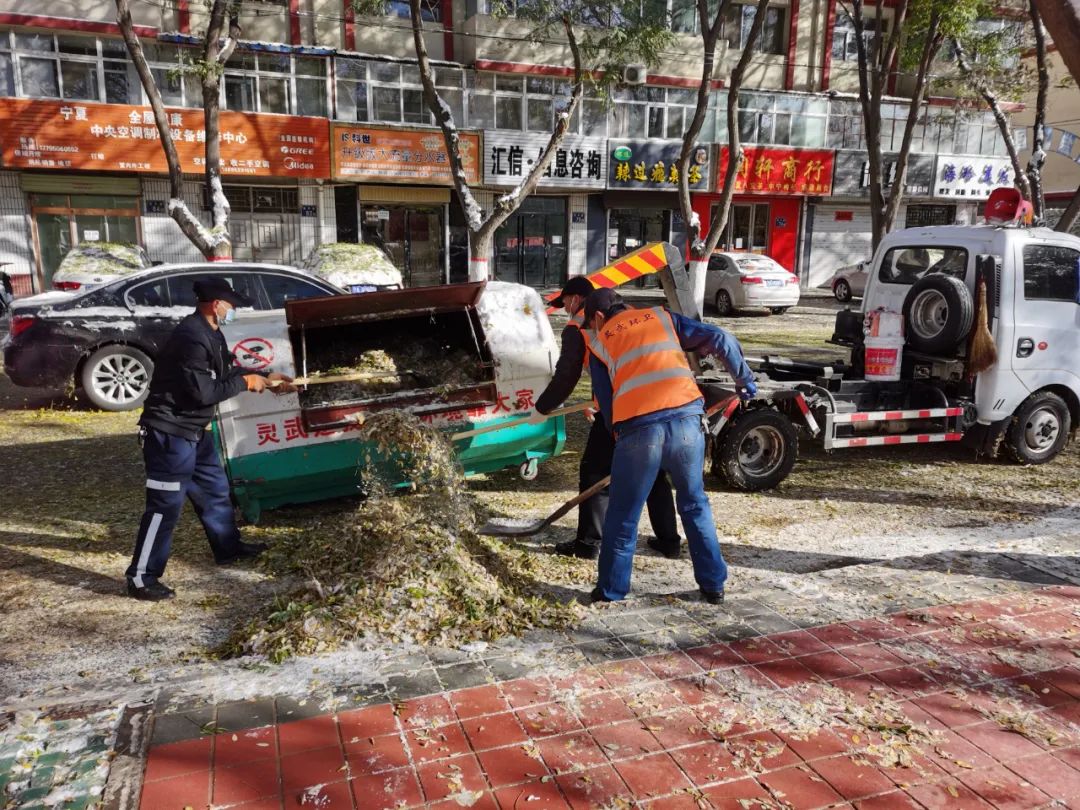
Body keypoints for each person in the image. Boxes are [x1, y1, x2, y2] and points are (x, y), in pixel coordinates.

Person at [581, 288, 757, 604]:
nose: (593, 330)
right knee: (694, 505)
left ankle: (611, 591)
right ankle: (713, 586)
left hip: (638, 432)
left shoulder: (599, 344)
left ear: (597, 317)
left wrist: (618, 434)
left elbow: (606, 404)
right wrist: (743, 379)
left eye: (591, 324)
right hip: (687, 423)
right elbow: (720, 338)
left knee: (623, 514)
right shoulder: (661, 318)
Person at [125, 278, 294, 601]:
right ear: (216, 304)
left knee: (215, 490)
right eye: (231, 305)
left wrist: (267, 376)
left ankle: (228, 549)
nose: (234, 311)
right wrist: (247, 383)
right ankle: (141, 577)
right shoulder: (191, 338)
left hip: (194, 433)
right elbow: (204, 392)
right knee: (164, 508)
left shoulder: (212, 333)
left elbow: (226, 371)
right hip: (168, 435)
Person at [532, 277, 682, 561]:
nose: (564, 308)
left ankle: (588, 544)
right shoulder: (630, 314)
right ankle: (669, 540)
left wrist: (542, 409)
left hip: (621, 408)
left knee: (594, 471)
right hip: (652, 402)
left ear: (576, 299)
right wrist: (596, 402)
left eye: (564, 302)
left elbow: (567, 375)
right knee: (653, 470)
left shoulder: (578, 328)